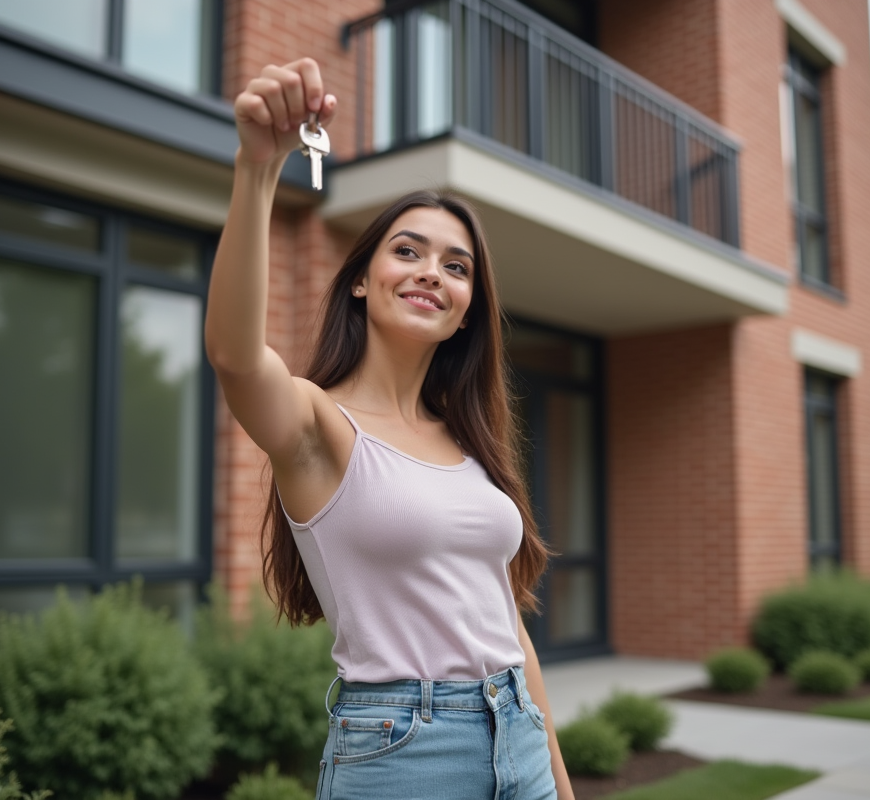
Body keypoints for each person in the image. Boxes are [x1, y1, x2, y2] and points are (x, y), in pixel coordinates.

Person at [205, 57, 575, 800]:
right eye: (407, 251)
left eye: (456, 265)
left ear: (467, 308)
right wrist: (257, 169)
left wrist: (560, 784)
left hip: (520, 735)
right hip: (403, 753)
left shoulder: (471, 445)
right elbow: (236, 359)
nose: (431, 271)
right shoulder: (316, 422)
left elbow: (508, 629)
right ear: (361, 278)